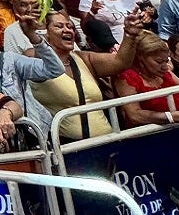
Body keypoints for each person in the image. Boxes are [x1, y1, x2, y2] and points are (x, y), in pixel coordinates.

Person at [30, 11, 144, 141]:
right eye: (59, 26)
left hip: (108, 140)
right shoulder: (35, 59)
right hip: (70, 149)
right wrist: (36, 35)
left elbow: (121, 62)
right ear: (46, 33)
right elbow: (37, 52)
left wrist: (130, 35)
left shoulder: (83, 58)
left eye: (70, 27)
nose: (68, 30)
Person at [115, 31, 179, 128]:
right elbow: (135, 116)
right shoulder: (125, 77)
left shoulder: (165, 73)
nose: (166, 67)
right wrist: (176, 116)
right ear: (140, 57)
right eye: (159, 61)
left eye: (166, 61)